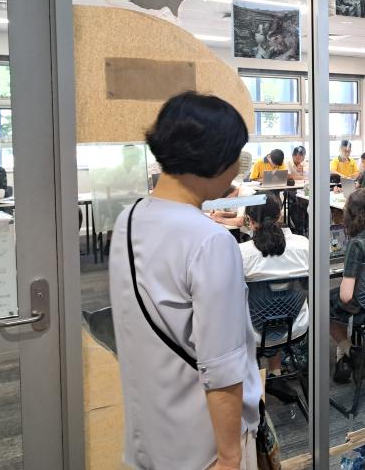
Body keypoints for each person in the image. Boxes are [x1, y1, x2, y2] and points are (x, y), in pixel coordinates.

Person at [108, 91, 261, 470]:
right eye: (237, 157)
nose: (237, 169)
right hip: (205, 443)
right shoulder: (209, 240)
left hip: (150, 430)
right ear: (215, 158)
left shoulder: (129, 219)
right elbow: (223, 367)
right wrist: (230, 457)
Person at [241, 193, 309, 400]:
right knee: (278, 301)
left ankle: (252, 383)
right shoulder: (303, 245)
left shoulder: (240, 253)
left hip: (253, 332)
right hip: (295, 326)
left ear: (250, 222)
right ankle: (275, 373)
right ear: (279, 215)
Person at [329, 188, 365, 383]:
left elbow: (346, 296)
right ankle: (342, 360)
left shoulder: (357, 243)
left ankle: (349, 350)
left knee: (326, 302)